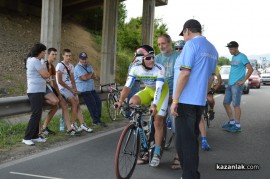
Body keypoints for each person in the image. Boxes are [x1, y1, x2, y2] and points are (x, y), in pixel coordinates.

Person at [171, 19, 218, 179]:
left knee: (187, 143)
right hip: (199, 102)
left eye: (183, 35)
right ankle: (189, 174)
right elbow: (211, 77)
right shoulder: (212, 48)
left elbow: (184, 73)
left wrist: (175, 100)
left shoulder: (191, 45)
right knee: (184, 141)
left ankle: (190, 176)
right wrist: (203, 94)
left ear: (187, 31)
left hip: (185, 101)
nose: (184, 39)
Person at [115, 45, 169, 167]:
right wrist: (120, 101)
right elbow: (127, 87)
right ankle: (143, 127)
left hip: (161, 92)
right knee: (132, 102)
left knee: (158, 121)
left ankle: (156, 152)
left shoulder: (159, 69)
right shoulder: (135, 69)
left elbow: (159, 89)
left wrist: (154, 105)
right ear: (140, 60)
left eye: (153, 57)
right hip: (148, 90)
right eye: (149, 58)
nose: (152, 60)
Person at [155, 34, 180, 169]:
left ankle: (179, 155)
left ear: (170, 43)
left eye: (163, 43)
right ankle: (155, 152)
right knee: (157, 122)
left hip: (174, 97)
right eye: (159, 44)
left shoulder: (178, 57)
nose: (161, 47)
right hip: (161, 96)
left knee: (176, 127)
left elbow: (182, 78)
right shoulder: (157, 59)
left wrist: (174, 97)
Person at [56, 49, 93, 133]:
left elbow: (72, 79)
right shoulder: (60, 65)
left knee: (78, 104)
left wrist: (74, 88)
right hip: (62, 88)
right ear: (63, 56)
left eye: (70, 56)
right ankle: (73, 123)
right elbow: (60, 81)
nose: (68, 57)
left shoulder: (71, 66)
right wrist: (70, 89)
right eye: (67, 55)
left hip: (70, 88)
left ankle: (82, 124)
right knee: (74, 102)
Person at [22, 43, 50, 146]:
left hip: (37, 90)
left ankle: (34, 136)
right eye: (43, 52)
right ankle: (27, 137)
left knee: (38, 114)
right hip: (35, 91)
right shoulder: (35, 61)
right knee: (35, 114)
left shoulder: (31, 60)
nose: (45, 53)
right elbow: (46, 75)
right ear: (39, 52)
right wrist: (44, 67)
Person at [222, 41, 253, 133]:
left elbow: (250, 69)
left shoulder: (242, 57)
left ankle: (237, 126)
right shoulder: (233, 57)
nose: (230, 51)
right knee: (226, 103)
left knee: (236, 105)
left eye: (231, 49)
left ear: (236, 48)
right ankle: (231, 122)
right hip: (230, 84)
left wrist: (243, 80)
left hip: (237, 85)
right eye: (229, 49)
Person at [74, 52, 107, 127]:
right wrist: (90, 75)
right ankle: (95, 121)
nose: (84, 61)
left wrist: (89, 75)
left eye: (85, 59)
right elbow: (84, 78)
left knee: (98, 102)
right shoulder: (77, 67)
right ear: (79, 59)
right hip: (84, 90)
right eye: (82, 59)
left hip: (91, 88)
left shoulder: (89, 65)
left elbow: (94, 75)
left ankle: (98, 119)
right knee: (92, 105)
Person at [39, 48, 60, 137]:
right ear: (48, 54)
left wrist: (59, 94)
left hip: (47, 88)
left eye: (56, 54)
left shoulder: (53, 67)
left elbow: (54, 82)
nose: (54, 56)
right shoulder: (43, 64)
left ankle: (45, 127)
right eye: (53, 54)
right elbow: (44, 78)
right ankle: (39, 131)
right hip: (41, 88)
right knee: (54, 102)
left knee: (56, 105)